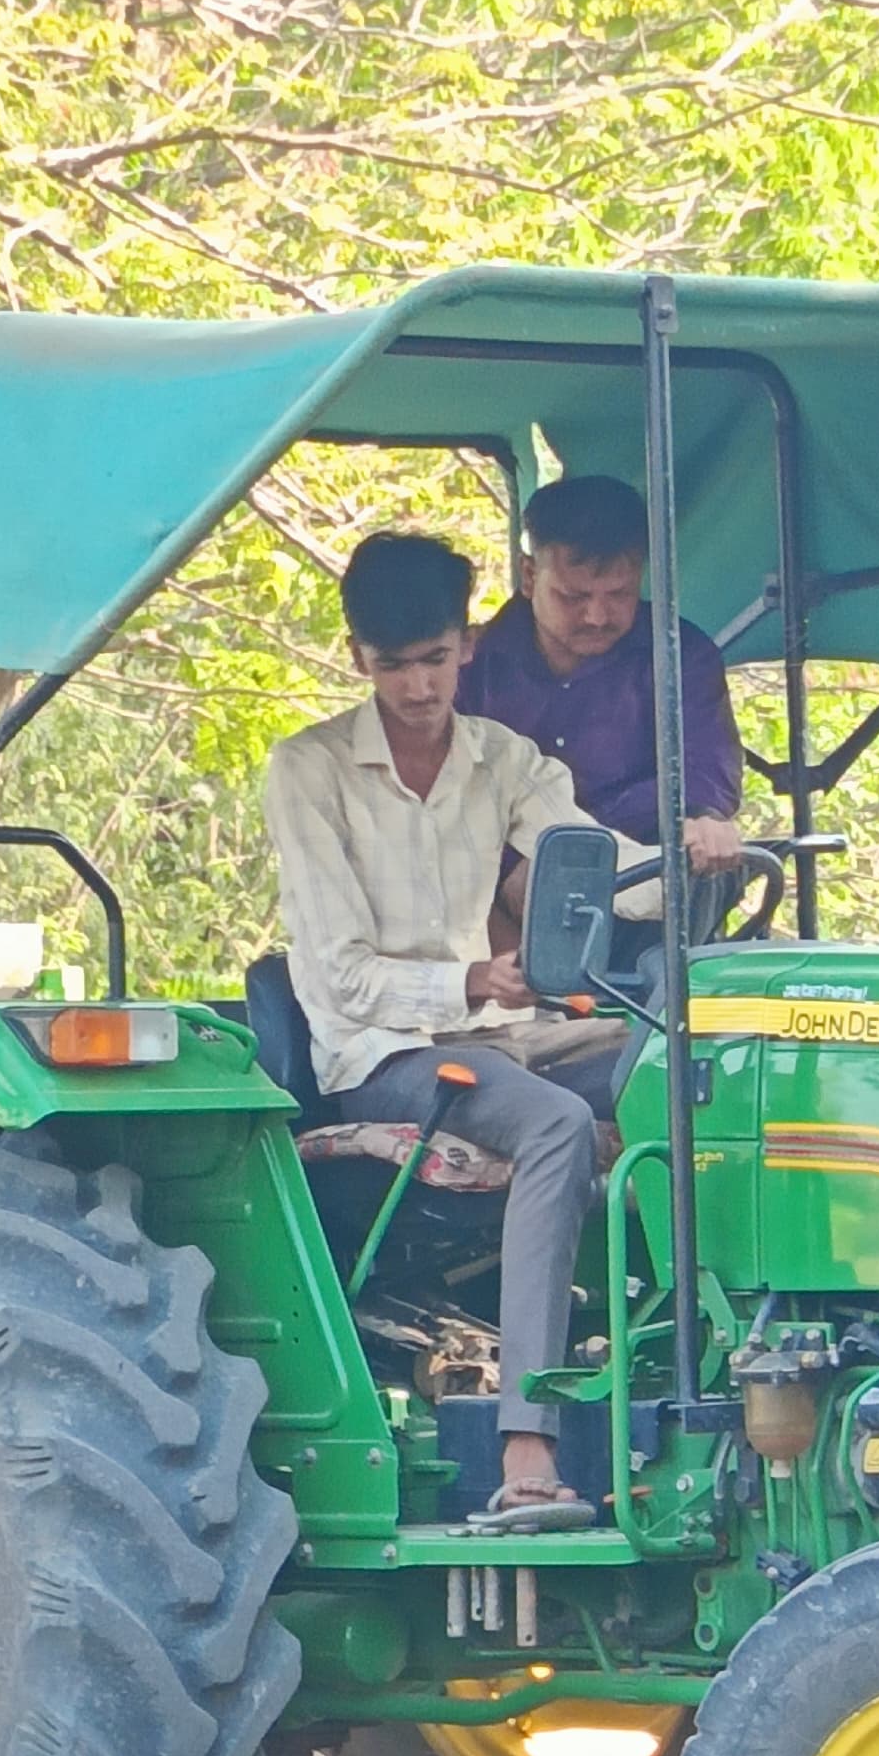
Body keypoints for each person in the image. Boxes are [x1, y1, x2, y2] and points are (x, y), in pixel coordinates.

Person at [261, 530, 633, 1533]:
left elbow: (596, 862)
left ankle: (675, 1372)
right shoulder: (310, 770)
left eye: (433, 659)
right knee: (555, 1122)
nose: (418, 687)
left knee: (686, 1063)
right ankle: (528, 1445)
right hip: (380, 1052)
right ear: (358, 658)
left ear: (466, 646)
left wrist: (695, 858)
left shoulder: (503, 759)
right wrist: (470, 978)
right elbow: (338, 975)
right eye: (393, 665)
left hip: (495, 1034)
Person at [457, 469, 754, 879]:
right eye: (573, 596)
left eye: (619, 594)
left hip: (652, 865)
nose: (597, 617)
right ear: (529, 576)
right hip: (510, 872)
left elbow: (705, 767)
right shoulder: (471, 665)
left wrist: (703, 819)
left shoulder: (679, 655)